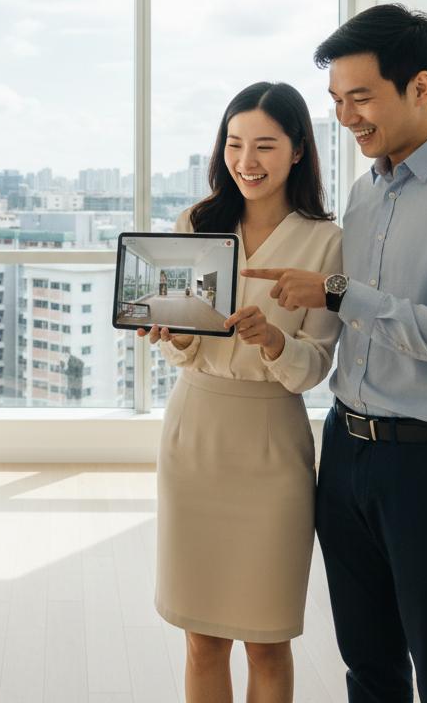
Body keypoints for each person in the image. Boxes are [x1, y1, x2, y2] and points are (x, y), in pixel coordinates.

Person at [245, 5, 427, 703]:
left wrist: (340, 291)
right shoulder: (363, 191)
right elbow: (342, 328)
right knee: (369, 668)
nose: (347, 116)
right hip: (346, 453)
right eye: (337, 100)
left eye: (362, 97)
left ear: (420, 87)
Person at [140, 81, 342, 703]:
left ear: (299, 150)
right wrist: (172, 335)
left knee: (267, 639)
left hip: (271, 449)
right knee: (201, 639)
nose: (245, 162)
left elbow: (318, 367)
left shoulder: (327, 242)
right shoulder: (196, 224)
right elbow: (186, 349)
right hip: (195, 436)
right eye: (233, 144)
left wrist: (274, 342)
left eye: (264, 146)